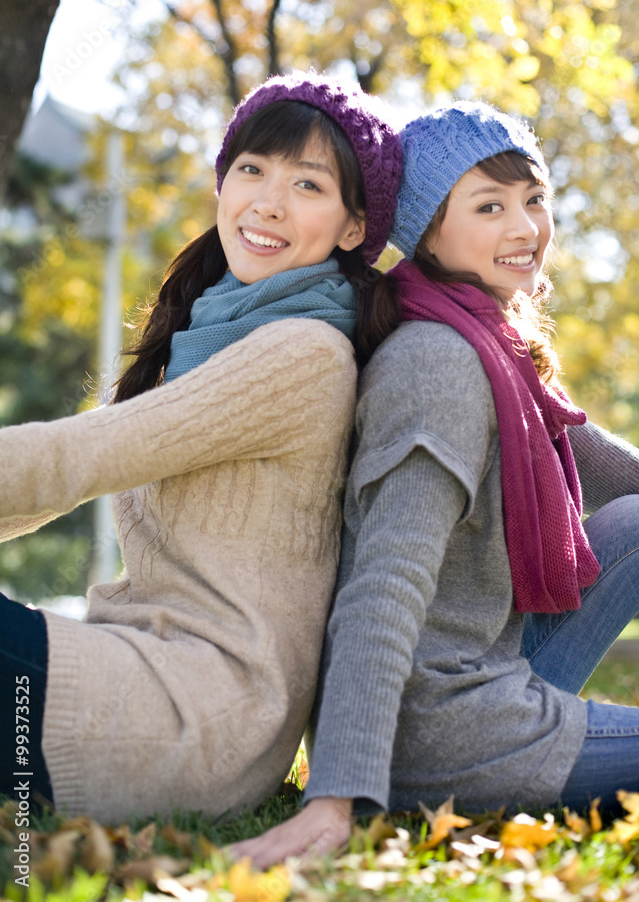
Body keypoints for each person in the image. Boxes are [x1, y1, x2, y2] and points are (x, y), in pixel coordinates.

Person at [234, 100, 639, 868]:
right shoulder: (436, 363)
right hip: (443, 735)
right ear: (428, 231)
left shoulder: (488, 341)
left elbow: (613, 470)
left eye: (534, 199)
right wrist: (338, 795)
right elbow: (384, 582)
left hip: (482, 669)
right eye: (489, 206)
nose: (525, 227)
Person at [0, 70, 403, 823]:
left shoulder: (302, 353)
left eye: (307, 185)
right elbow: (56, 483)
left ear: (353, 228)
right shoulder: (208, 334)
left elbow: (72, 459)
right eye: (251, 170)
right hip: (137, 671)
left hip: (195, 715)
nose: (267, 202)